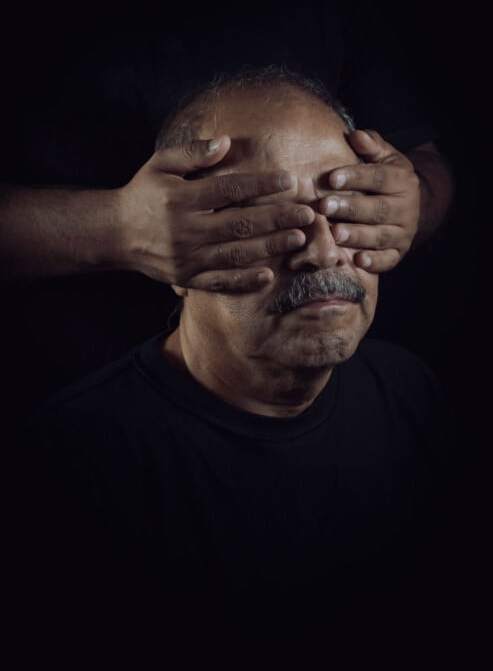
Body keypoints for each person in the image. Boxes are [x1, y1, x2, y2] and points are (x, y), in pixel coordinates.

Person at [12, 68, 461, 647]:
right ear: (172, 254)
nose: (323, 251)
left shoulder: (410, 398)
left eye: (347, 209)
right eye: (268, 223)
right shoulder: (65, 473)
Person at [1, 0, 455, 410]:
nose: (322, 249)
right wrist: (117, 227)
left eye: (335, 211)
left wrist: (410, 202)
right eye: (264, 211)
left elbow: (424, 164)